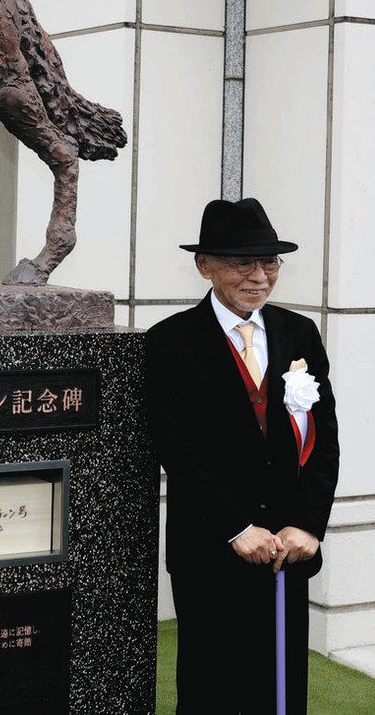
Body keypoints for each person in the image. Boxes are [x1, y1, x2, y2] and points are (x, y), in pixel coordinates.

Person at [145, 198, 339, 714]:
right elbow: (176, 447)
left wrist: (307, 525)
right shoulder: (170, 342)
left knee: (281, 679)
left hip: (287, 544)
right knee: (213, 679)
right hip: (211, 543)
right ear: (204, 266)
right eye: (240, 263)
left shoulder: (299, 333)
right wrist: (235, 527)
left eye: (269, 263)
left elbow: (324, 437)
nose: (259, 277)